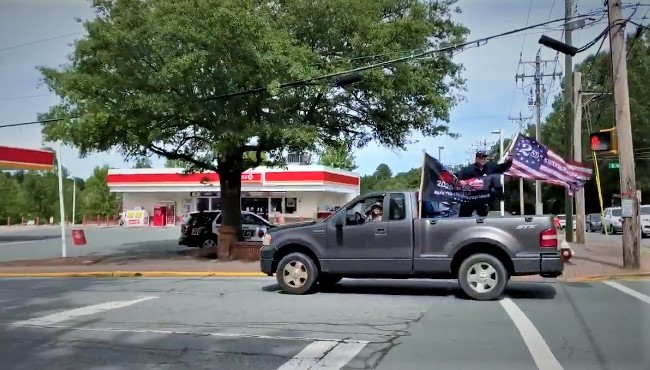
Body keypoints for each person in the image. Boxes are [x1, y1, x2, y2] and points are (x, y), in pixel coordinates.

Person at [456, 151, 513, 217]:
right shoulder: (468, 170)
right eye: (481, 158)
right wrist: (462, 182)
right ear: (476, 159)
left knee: (485, 220)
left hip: (485, 199)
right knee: (463, 218)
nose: (483, 159)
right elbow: (458, 178)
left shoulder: (491, 167)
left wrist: (508, 161)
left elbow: (503, 167)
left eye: (484, 157)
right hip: (471, 198)